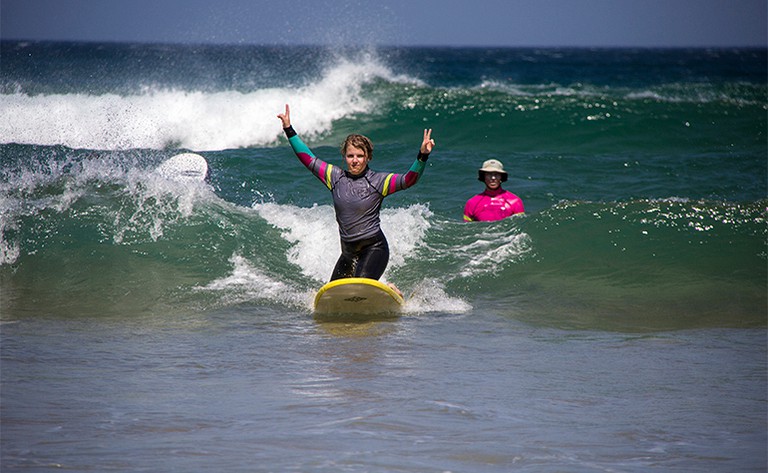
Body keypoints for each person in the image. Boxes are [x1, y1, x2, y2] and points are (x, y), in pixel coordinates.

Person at [277, 104, 435, 284]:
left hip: (374, 248)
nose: (355, 160)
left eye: (360, 156)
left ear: (368, 157)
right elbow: (308, 158)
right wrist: (288, 129)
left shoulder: (378, 181)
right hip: (348, 253)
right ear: (344, 156)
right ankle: (381, 286)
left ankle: (382, 287)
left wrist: (422, 156)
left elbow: (409, 180)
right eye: (350, 155)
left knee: (358, 286)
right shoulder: (334, 176)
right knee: (332, 293)